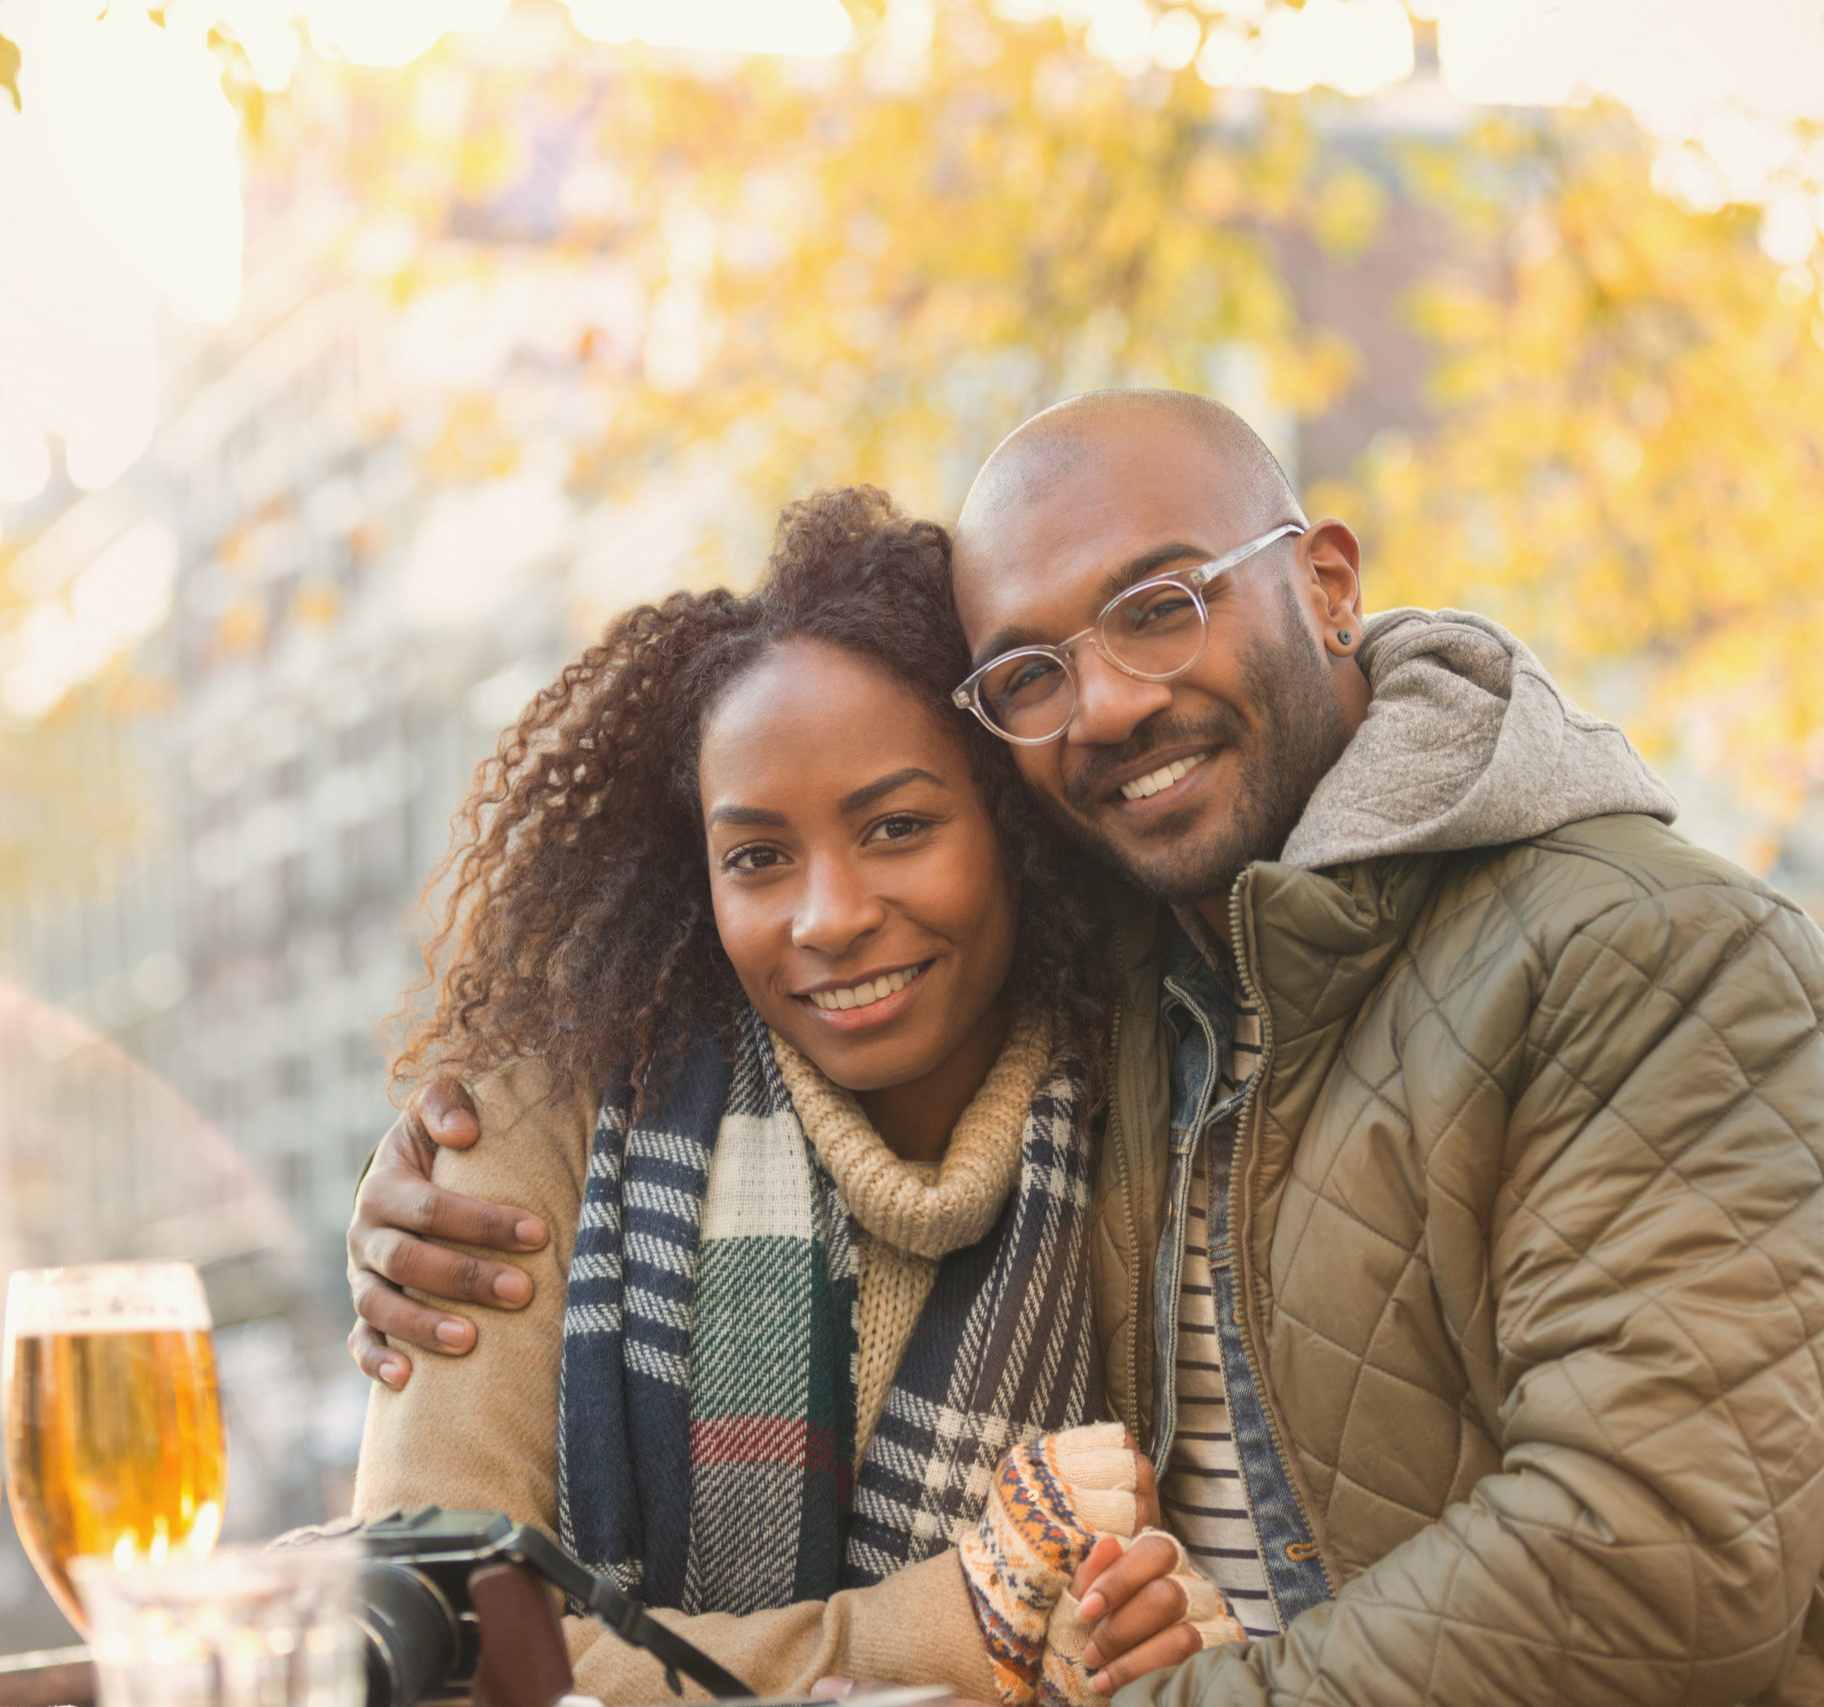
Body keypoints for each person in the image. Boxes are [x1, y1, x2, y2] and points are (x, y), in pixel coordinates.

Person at [348, 392, 1824, 1705]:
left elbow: (1663, 1554)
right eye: (1028, 671)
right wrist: (444, 1155)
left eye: (1160, 605)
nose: (1102, 702)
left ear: (1325, 581)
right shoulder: (1136, 982)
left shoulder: (1662, 952)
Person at [351, 485, 1239, 1707]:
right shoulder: (528, 1142)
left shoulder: (1161, 1105)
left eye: (897, 827)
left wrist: (1157, 1641)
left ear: (1012, 824)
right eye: (758, 858)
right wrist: (949, 1632)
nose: (828, 917)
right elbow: (437, 1652)